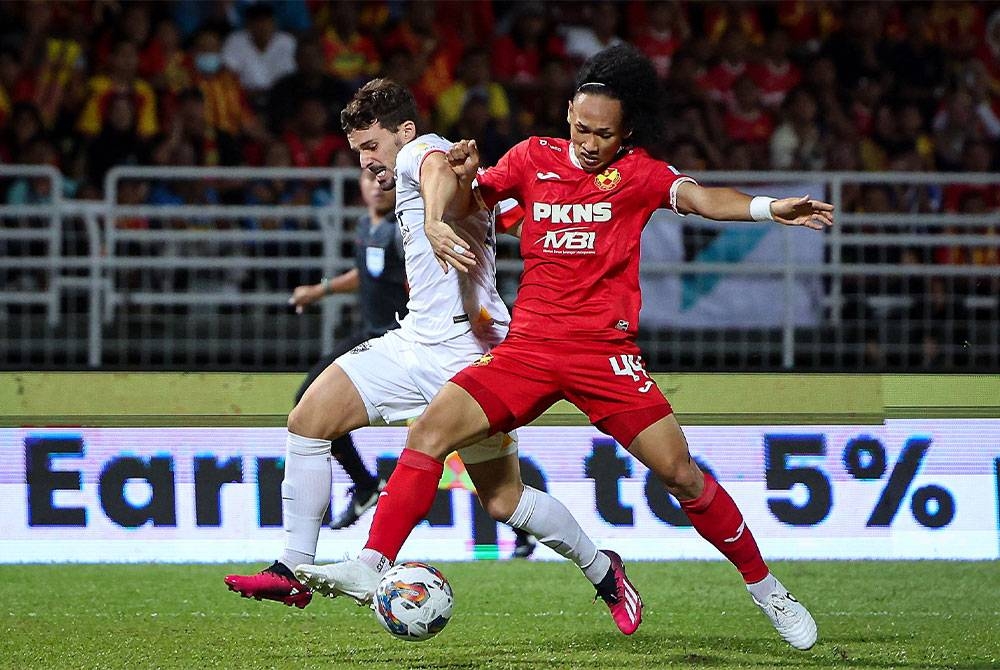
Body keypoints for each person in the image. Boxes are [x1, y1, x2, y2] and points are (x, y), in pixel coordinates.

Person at [297, 46, 833, 651]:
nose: (586, 141)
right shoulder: (532, 157)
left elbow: (703, 198)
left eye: (602, 133)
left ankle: (768, 591)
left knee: (682, 475)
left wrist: (768, 208)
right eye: (579, 126)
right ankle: (372, 563)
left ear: (626, 131)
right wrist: (464, 180)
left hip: (605, 354)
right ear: (568, 114)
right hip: (526, 350)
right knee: (428, 435)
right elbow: (469, 199)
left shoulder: (640, 175)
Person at [227, 78, 643, 635]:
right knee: (308, 419)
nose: (368, 161)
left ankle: (603, 569)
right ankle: (293, 568)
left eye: (372, 146)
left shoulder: (422, 152)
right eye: (357, 154)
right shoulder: (408, 169)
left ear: (402, 131)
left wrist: (433, 218)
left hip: (468, 356)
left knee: (503, 501)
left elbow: (434, 170)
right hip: (414, 342)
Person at [287, 167, 406, 530]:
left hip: (398, 339)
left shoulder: (401, 232)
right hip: (370, 335)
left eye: (387, 181)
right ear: (361, 186)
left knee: (457, 435)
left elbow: (420, 281)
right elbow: (364, 274)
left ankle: (519, 526)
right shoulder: (364, 227)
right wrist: (319, 290)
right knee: (309, 397)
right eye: (371, 179)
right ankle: (366, 483)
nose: (378, 186)